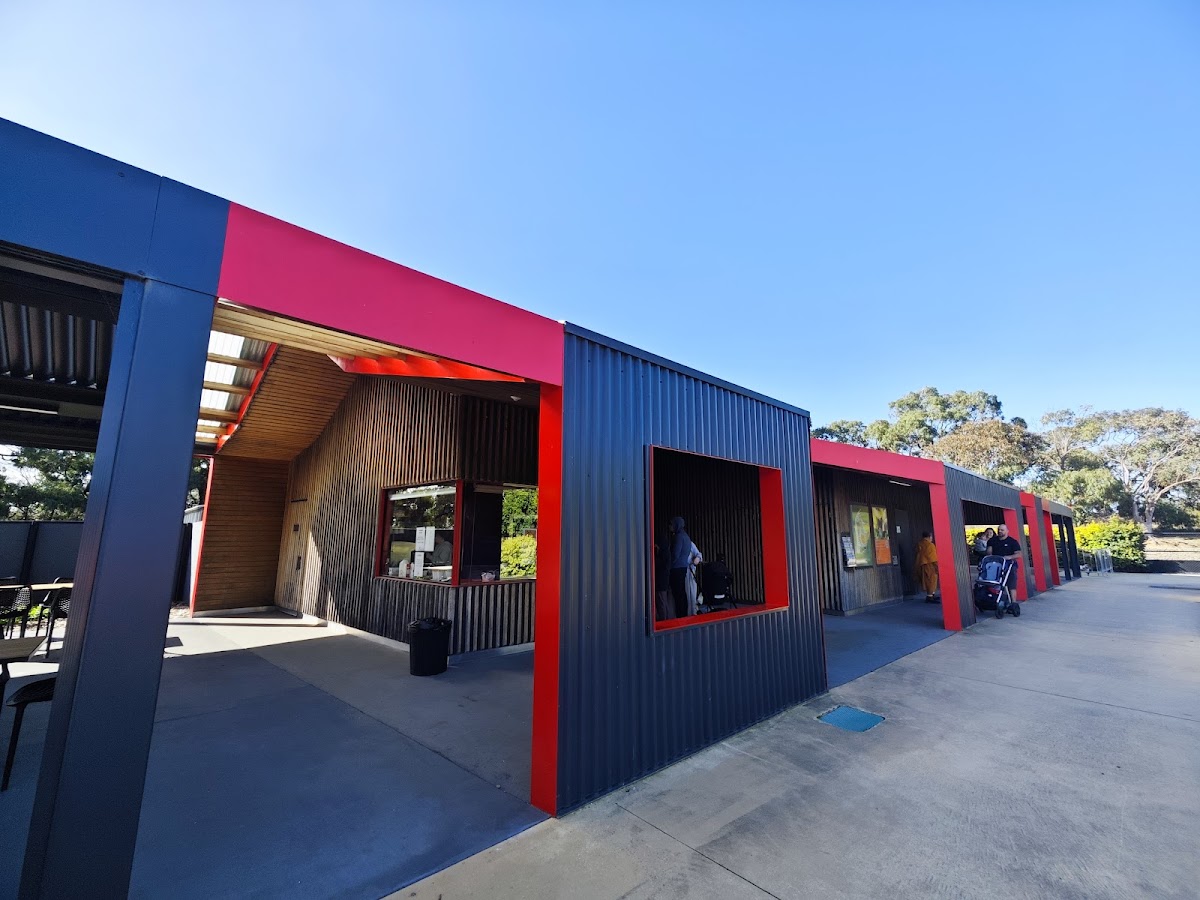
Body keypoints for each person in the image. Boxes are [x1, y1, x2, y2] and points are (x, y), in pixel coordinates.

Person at [668, 517, 702, 618]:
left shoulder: (678, 537)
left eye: (671, 524)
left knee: (678, 594)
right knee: (683, 593)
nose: (669, 527)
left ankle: (680, 615)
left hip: (677, 568)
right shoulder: (686, 537)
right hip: (684, 568)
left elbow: (675, 554)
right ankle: (685, 614)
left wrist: (668, 564)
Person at [915, 532, 939, 603]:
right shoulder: (930, 545)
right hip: (930, 565)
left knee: (927, 580)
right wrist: (937, 566)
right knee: (932, 580)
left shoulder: (919, 544)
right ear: (929, 537)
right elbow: (933, 558)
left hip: (922, 564)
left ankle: (931, 594)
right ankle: (930, 596)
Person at [654, 535, 673, 620]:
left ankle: (663, 620)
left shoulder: (663, 554)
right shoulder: (666, 553)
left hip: (661, 582)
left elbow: (659, 565)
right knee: (663, 601)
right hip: (664, 581)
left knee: (661, 601)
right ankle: (665, 619)